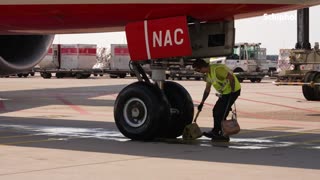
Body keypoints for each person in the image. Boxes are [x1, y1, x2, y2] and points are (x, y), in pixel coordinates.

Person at [193, 58, 241, 142]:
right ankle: (217, 132)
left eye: (198, 70)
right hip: (225, 93)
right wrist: (202, 102)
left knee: (221, 112)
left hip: (233, 91)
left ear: (202, 67)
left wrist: (232, 94)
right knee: (216, 111)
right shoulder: (208, 74)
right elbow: (207, 89)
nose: (199, 72)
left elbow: (231, 78)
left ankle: (221, 134)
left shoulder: (217, 69)